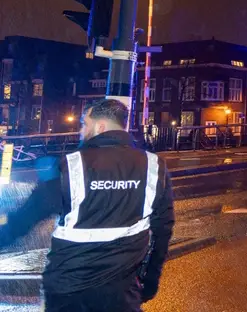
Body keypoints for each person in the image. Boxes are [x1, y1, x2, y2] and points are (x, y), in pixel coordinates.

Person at [0, 99, 174, 310]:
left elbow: (26, 218)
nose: (82, 130)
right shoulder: (154, 166)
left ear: (100, 127)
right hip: (122, 291)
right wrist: (150, 280)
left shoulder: (72, 165)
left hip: (69, 291)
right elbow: (162, 230)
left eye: (85, 123)